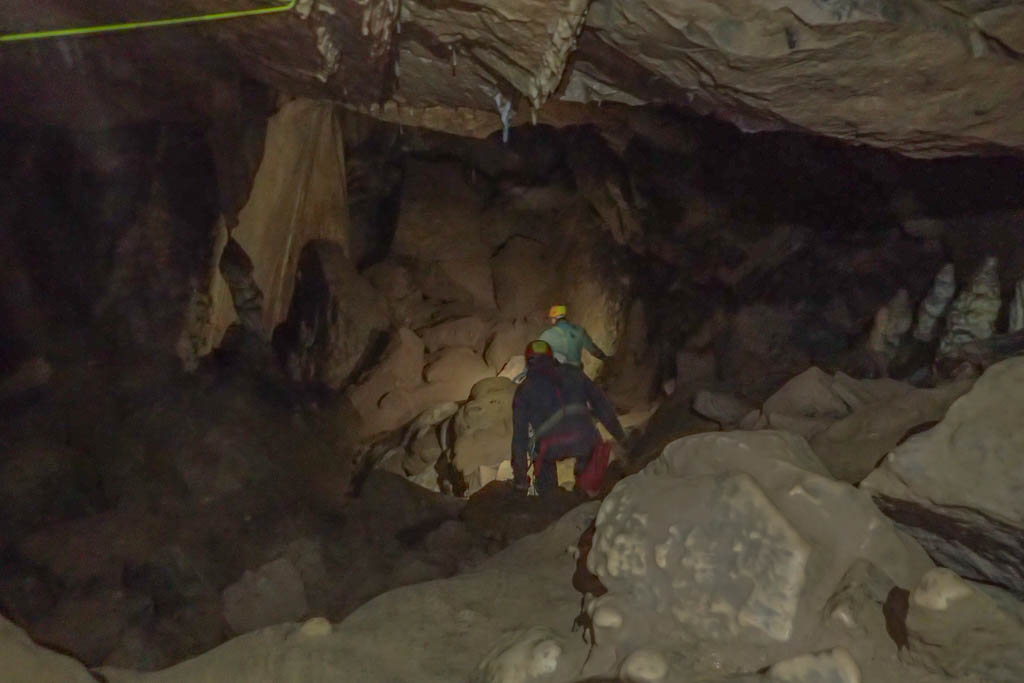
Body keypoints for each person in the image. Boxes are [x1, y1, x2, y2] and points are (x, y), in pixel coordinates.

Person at [511, 340, 626, 496]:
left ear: (528, 362)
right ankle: (587, 491)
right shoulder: (574, 373)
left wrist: (521, 480)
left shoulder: (524, 390)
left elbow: (519, 438)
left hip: (550, 447)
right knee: (590, 451)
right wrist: (621, 437)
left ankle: (548, 497)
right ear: (551, 357)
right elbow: (602, 406)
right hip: (584, 438)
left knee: (541, 459)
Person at [538, 305, 610, 368]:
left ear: (554, 319)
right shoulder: (579, 330)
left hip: (558, 375)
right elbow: (593, 350)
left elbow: (536, 356)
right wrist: (605, 359)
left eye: (551, 318)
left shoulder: (547, 334)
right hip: (576, 371)